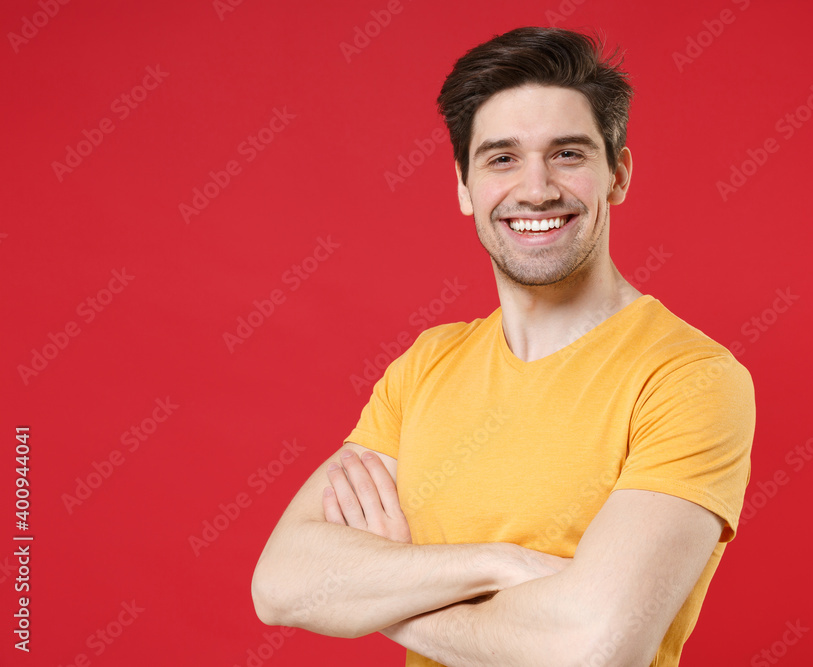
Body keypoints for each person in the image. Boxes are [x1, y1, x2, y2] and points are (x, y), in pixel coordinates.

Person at [252, 25, 755, 667]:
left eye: (568, 154)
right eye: (501, 158)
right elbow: (282, 584)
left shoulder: (688, 378)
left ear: (618, 174)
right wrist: (503, 565)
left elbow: (592, 649)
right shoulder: (426, 367)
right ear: (464, 186)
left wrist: (388, 586)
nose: (537, 188)